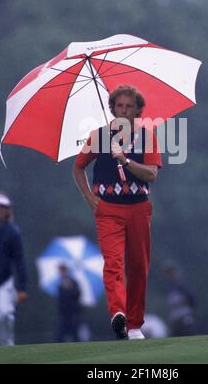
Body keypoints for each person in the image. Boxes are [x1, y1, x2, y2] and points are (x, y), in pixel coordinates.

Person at [73, 85, 162, 340]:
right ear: (113, 108)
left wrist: (125, 160)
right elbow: (78, 168)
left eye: (128, 106)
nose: (123, 110)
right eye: (119, 106)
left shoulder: (147, 136)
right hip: (108, 209)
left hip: (138, 208)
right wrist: (91, 200)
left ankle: (134, 325)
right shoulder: (99, 136)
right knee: (113, 263)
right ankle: (118, 314)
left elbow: (152, 175)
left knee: (138, 267)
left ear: (137, 110)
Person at [0, 192, 28, 346]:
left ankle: (7, 347)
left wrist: (22, 288)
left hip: (5, 281)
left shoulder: (12, 232)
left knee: (4, 314)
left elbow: (19, 261)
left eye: (2, 207)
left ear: (7, 210)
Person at [163, 262, 196, 337]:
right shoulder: (169, 284)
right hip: (175, 315)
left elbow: (191, 297)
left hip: (184, 314)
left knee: (187, 333)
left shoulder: (180, 283)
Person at [56, 264, 81, 343]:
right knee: (60, 334)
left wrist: (70, 289)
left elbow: (78, 294)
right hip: (64, 312)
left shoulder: (73, 282)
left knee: (75, 333)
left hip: (73, 312)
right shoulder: (60, 284)